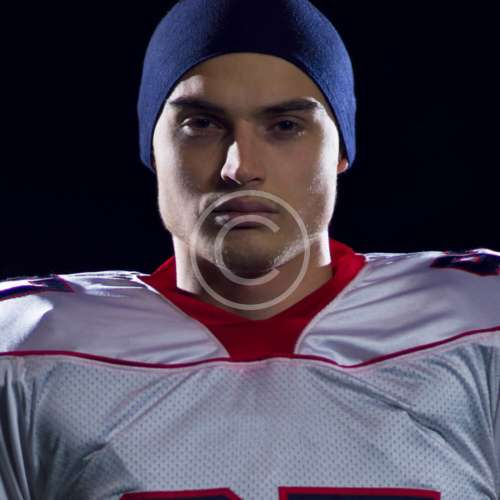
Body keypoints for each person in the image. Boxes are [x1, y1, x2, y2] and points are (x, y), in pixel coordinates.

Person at [1, 0, 499, 498]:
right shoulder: (27, 351)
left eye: (285, 126)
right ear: (152, 145)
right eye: (201, 124)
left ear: (341, 150)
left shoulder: (480, 326)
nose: (239, 168)